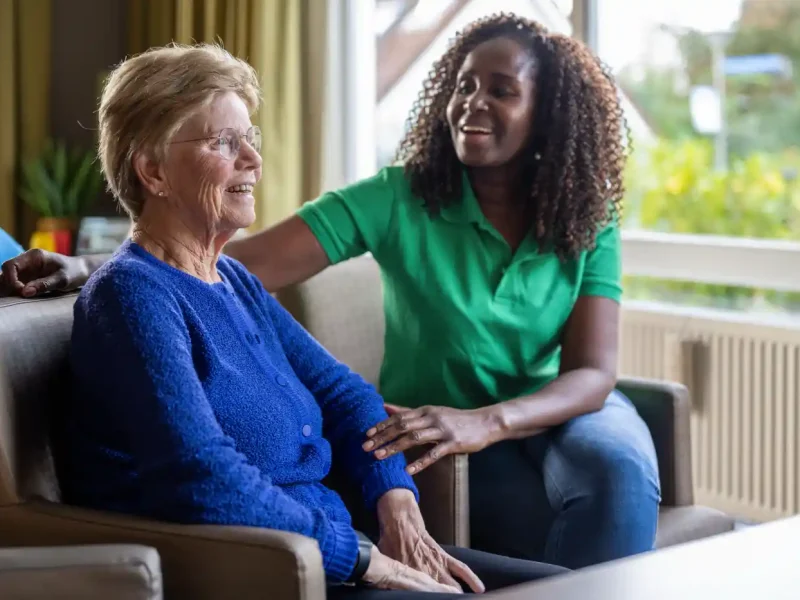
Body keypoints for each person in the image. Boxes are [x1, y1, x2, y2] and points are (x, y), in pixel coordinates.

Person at [2, 14, 660, 569]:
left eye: (501, 90)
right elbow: (199, 460)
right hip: (361, 505)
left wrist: (403, 489)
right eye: (226, 142)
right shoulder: (395, 198)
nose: (256, 161)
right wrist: (91, 267)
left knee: (609, 495)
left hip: (539, 417)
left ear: (549, 116)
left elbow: (348, 391)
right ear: (153, 168)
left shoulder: (585, 213)